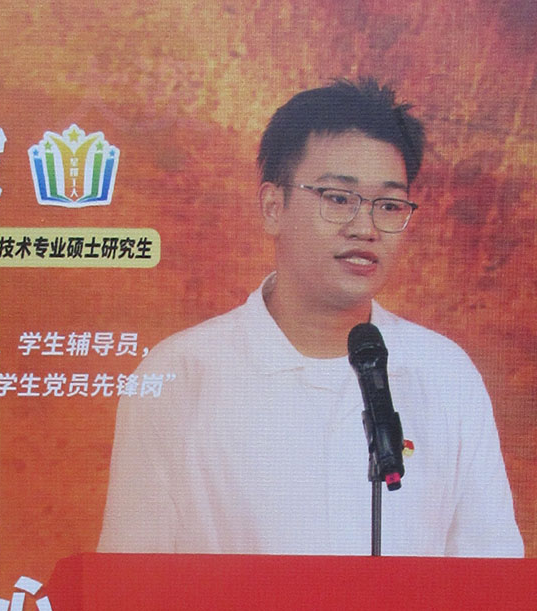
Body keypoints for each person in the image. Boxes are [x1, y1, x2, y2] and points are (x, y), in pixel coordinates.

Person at [98, 79, 523, 557]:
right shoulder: (179, 376)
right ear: (272, 207)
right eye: (338, 198)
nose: (365, 228)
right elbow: (129, 587)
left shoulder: (445, 374)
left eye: (388, 205)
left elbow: (492, 582)